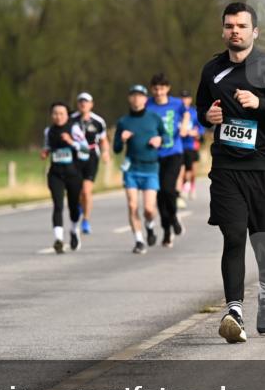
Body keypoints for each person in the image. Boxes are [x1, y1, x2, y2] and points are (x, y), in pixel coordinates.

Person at [195, 2, 265, 342]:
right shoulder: (212, 70)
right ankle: (235, 310)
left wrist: (260, 104)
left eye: (241, 26)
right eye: (229, 26)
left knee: (261, 238)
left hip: (264, 167)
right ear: (223, 30)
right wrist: (207, 118)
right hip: (226, 167)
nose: (234, 31)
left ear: (254, 31)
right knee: (234, 235)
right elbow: (200, 110)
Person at [114, 84, 165, 254]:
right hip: (131, 169)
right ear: (129, 98)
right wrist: (121, 139)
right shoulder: (123, 121)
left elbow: (166, 136)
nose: (136, 98)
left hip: (150, 168)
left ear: (145, 98)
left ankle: (149, 226)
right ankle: (139, 240)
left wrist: (160, 139)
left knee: (149, 209)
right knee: (132, 205)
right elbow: (116, 149)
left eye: (140, 95)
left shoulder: (154, 118)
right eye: (133, 95)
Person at [146, 73, 190, 247]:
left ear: (167, 89)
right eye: (155, 89)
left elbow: (186, 113)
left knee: (168, 189)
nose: (158, 92)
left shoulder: (177, 103)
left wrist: (185, 126)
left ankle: (173, 218)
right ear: (152, 89)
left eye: (162, 88)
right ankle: (167, 229)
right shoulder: (147, 105)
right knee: (159, 194)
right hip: (154, 155)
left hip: (174, 152)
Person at [41, 102, 85, 253]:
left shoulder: (74, 128)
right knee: (58, 205)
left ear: (67, 115)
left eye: (61, 113)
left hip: (73, 173)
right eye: (55, 113)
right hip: (56, 174)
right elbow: (47, 146)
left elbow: (85, 147)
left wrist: (72, 142)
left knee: (74, 206)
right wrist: (45, 152)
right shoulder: (49, 131)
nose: (58, 116)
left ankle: (74, 230)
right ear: (51, 115)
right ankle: (58, 239)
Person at [71, 92, 109, 234]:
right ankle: (81, 205)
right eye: (80, 102)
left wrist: (105, 152)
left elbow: (104, 140)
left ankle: (86, 220)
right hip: (75, 156)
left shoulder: (98, 121)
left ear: (91, 104)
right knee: (77, 191)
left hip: (92, 156)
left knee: (86, 191)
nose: (83, 104)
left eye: (86, 102)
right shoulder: (71, 119)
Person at [179, 89, 202, 200]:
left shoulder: (194, 112)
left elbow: (201, 127)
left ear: (190, 99)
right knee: (182, 170)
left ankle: (191, 186)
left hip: (192, 145)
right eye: (182, 98)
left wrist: (196, 132)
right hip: (179, 145)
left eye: (186, 98)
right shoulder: (177, 111)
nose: (184, 100)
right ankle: (184, 187)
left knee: (192, 170)